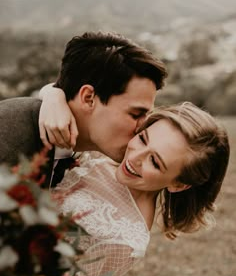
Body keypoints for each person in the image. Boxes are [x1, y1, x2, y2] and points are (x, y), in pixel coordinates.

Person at [43, 102, 229, 276]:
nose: (134, 157)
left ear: (177, 185)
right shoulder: (114, 147)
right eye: (143, 139)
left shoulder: (124, 237)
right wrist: (53, 96)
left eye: (155, 162)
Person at [0, 31, 167, 188]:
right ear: (88, 98)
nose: (143, 127)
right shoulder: (9, 141)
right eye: (136, 114)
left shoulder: (80, 147)